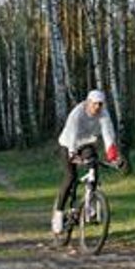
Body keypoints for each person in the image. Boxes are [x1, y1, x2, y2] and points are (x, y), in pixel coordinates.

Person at [52, 90, 122, 234]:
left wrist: (113, 157)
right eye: (95, 104)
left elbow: (108, 135)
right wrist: (72, 154)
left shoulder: (104, 114)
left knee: (94, 166)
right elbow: (71, 134)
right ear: (88, 102)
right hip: (67, 144)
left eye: (100, 104)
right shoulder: (77, 113)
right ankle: (58, 214)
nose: (97, 107)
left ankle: (89, 202)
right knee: (70, 177)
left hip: (87, 144)